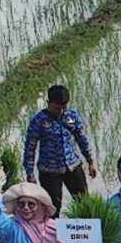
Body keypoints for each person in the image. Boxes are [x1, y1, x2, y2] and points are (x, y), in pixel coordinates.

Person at [23, 84, 97, 213]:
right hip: (49, 171)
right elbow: (30, 147)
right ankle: (53, 232)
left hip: (72, 166)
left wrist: (90, 161)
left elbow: (82, 138)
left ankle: (87, 231)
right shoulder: (39, 121)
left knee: (84, 203)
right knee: (53, 208)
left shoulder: (71, 116)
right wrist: (30, 173)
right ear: (49, 103)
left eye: (64, 107)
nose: (62, 111)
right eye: (57, 108)